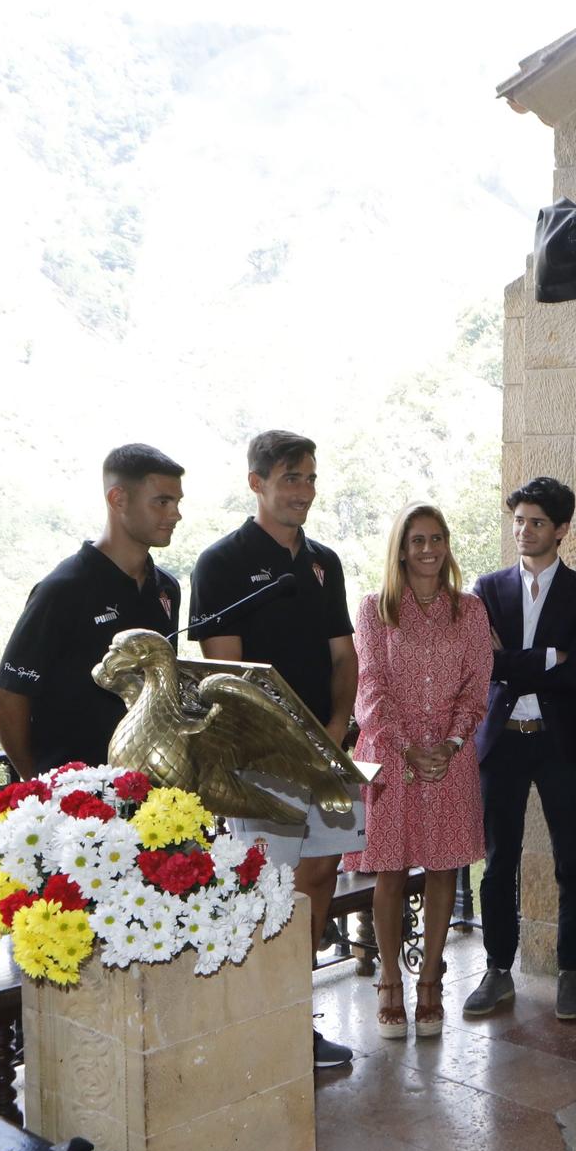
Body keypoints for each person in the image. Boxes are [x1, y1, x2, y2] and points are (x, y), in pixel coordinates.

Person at [191, 429, 361, 1068]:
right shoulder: (221, 563)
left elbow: (343, 654)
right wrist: (282, 739)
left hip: (325, 751)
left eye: (311, 478)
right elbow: (226, 676)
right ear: (256, 482)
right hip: (260, 758)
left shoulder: (325, 561)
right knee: (264, 882)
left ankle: (295, 1017)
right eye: (291, 478)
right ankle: (254, 1024)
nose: (305, 492)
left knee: (318, 874)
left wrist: (338, 726)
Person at [343, 502, 491, 1037]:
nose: (429, 550)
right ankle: (389, 980)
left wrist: (449, 743)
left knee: (444, 867)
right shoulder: (374, 608)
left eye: (437, 539)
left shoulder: (469, 610)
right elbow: (369, 687)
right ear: (401, 549)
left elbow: (478, 684)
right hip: (389, 759)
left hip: (451, 758)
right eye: (417, 541)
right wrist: (406, 747)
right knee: (390, 870)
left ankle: (430, 980)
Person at [464, 477, 576, 1023]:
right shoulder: (487, 589)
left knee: (572, 861)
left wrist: (520, 663)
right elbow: (484, 666)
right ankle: (498, 968)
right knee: (498, 862)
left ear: (562, 529)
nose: (524, 531)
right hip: (502, 745)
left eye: (537, 522)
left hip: (562, 742)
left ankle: (570, 973)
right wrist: (546, 656)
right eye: (518, 520)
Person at [0, 444, 185, 776]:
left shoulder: (167, 588)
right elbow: (5, 699)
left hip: (151, 792)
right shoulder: (63, 589)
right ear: (117, 499)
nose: (175, 514)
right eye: (162, 502)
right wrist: (38, 784)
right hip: (78, 801)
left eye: (177, 502)